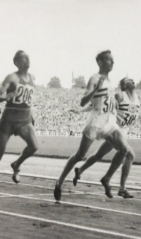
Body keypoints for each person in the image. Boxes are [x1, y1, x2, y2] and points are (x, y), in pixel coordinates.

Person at [71, 78, 141, 198]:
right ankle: (118, 186)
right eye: (129, 80)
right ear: (124, 85)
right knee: (129, 155)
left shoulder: (138, 99)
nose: (133, 81)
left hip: (122, 132)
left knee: (99, 154)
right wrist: (81, 110)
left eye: (133, 80)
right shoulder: (120, 96)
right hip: (113, 130)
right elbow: (103, 104)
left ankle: (80, 170)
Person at [54, 50, 135, 201]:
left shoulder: (111, 83)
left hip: (110, 123)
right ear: (100, 62)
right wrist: (95, 90)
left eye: (113, 60)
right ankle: (60, 182)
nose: (113, 63)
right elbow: (83, 101)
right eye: (110, 60)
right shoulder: (94, 78)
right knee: (80, 155)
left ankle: (106, 178)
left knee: (124, 150)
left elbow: (101, 103)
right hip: (96, 122)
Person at [0, 50, 38, 201]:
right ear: (17, 62)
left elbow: (28, 100)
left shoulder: (33, 78)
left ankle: (16, 164)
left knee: (34, 146)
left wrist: (31, 116)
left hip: (24, 119)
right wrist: (6, 97)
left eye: (28, 58)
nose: (27, 60)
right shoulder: (12, 77)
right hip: (9, 119)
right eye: (24, 58)